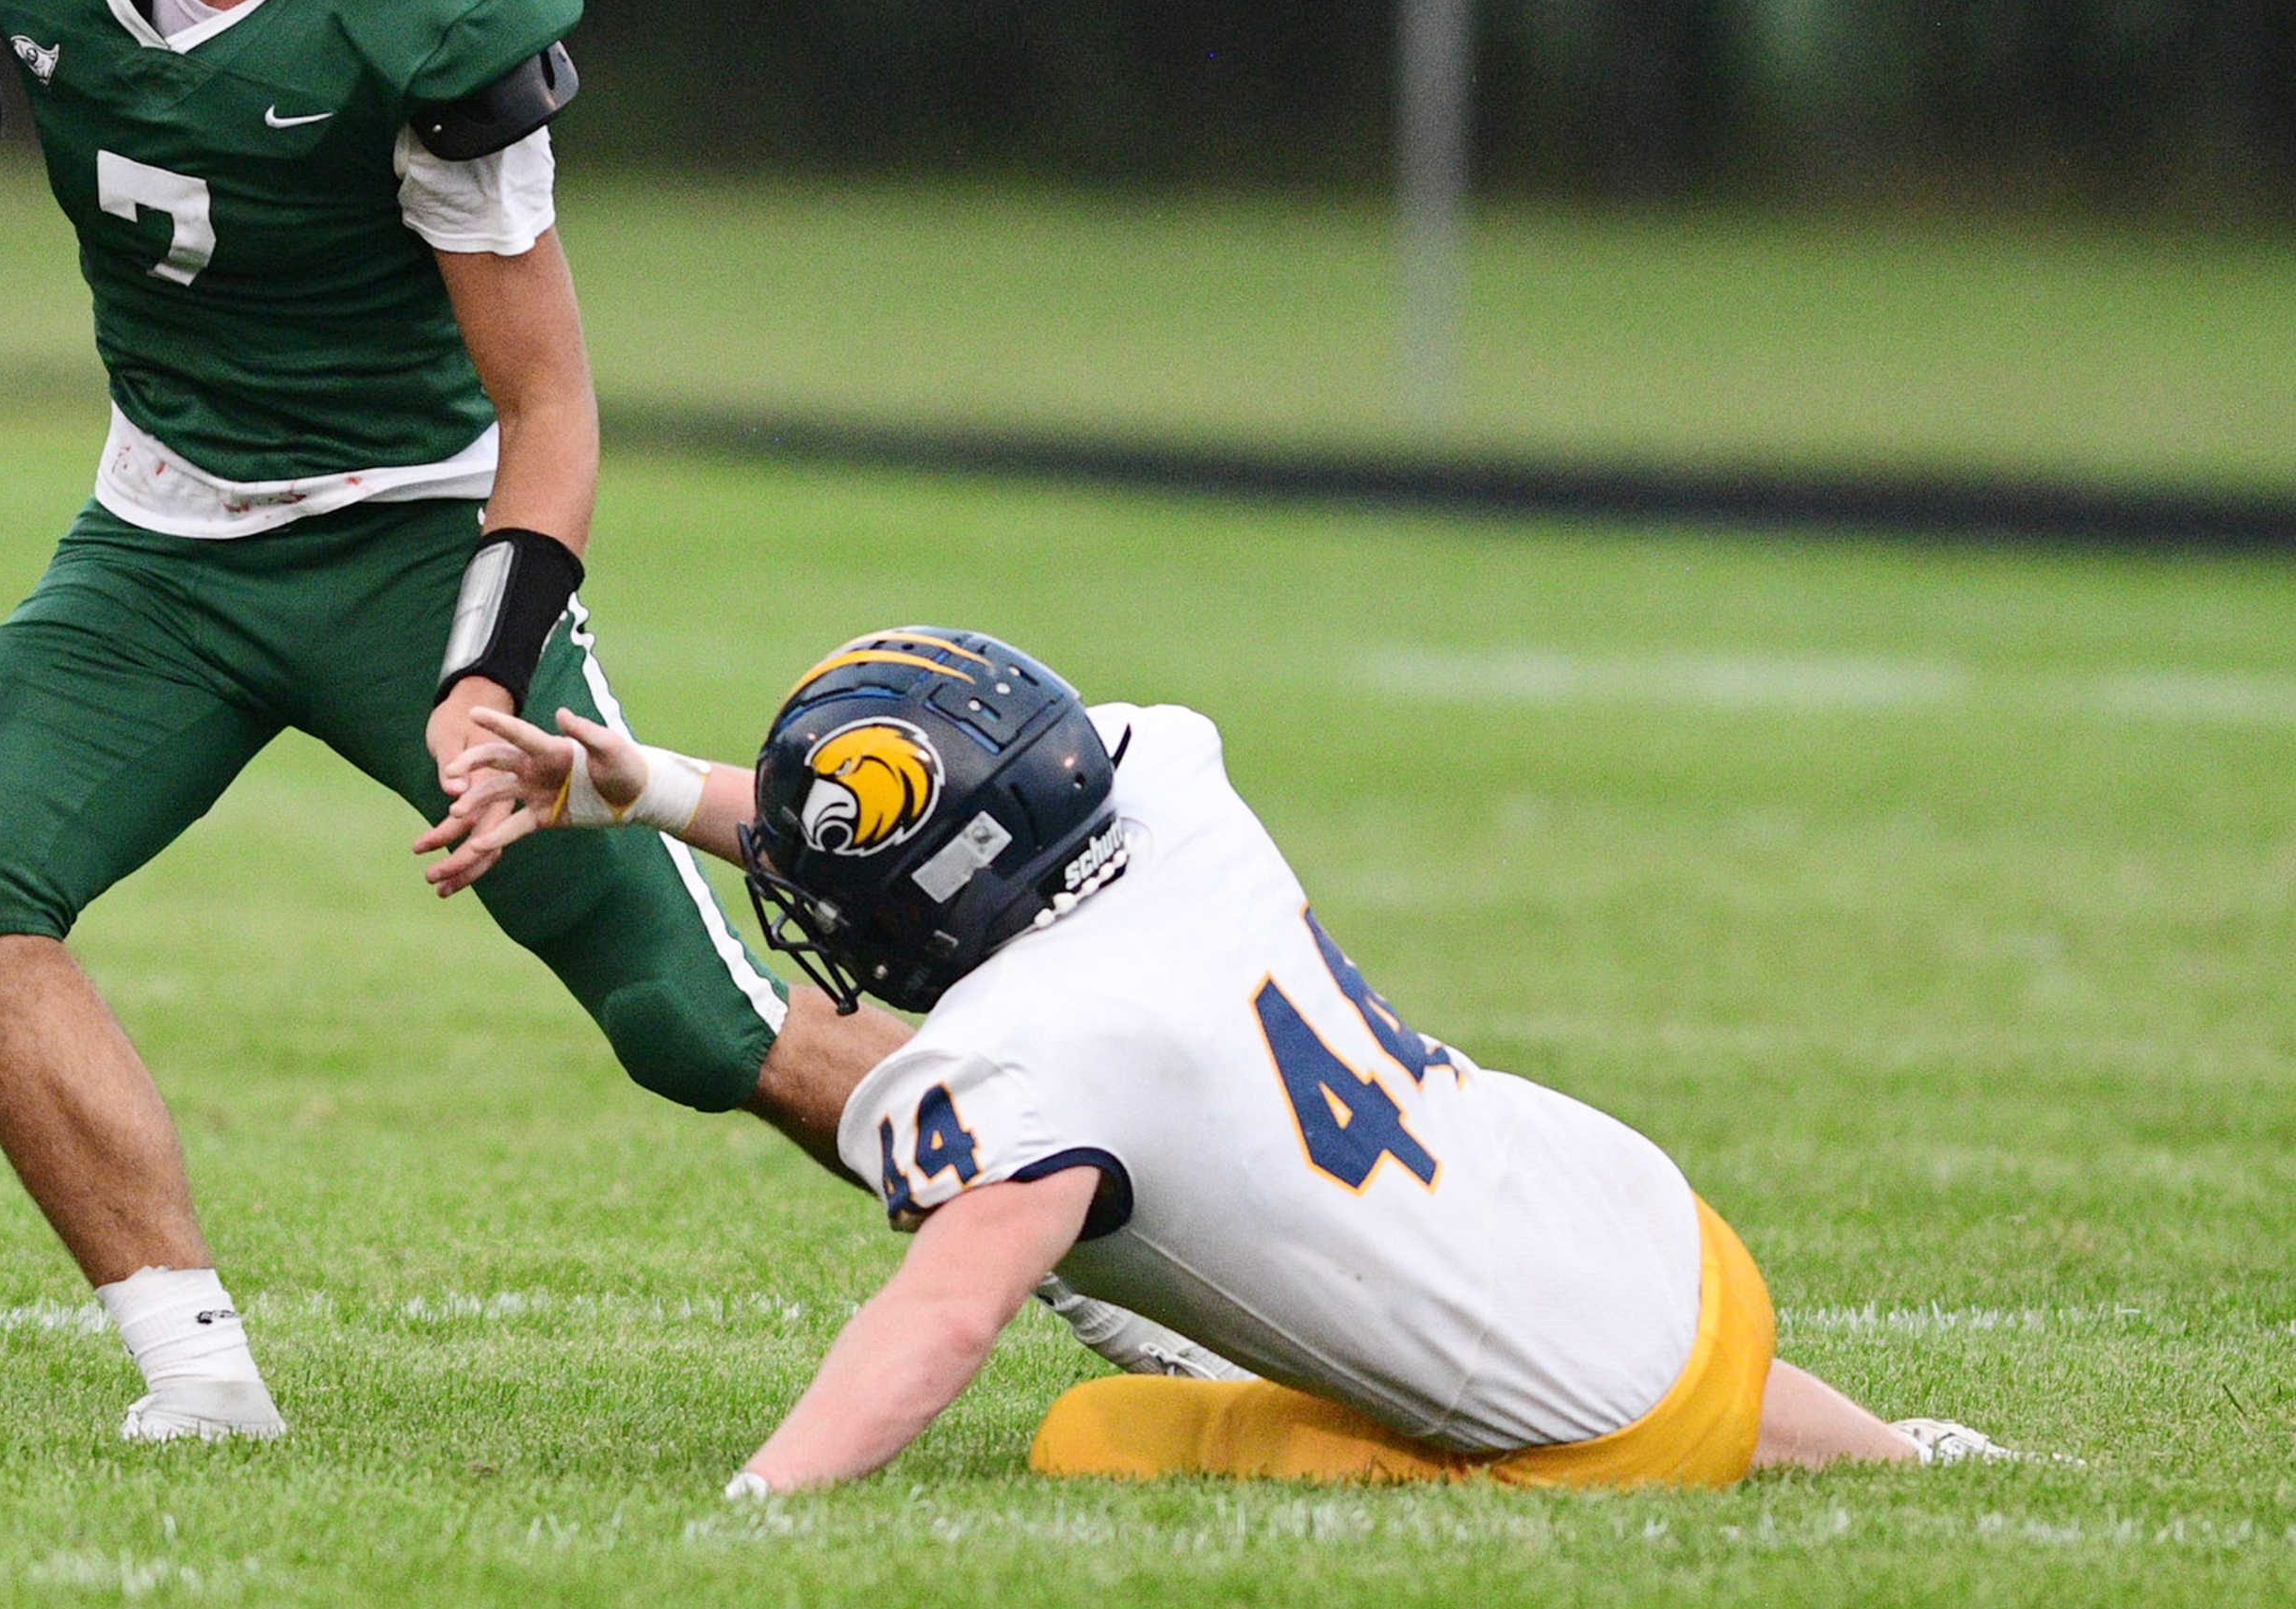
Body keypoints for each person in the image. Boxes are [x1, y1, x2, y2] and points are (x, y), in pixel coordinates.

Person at [0, 0, 1207, 1443]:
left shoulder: (444, 24)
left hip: (412, 539)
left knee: (696, 1019)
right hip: (160, 539)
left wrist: (485, 671)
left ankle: (1115, 1246)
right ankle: (197, 1375)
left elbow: (550, 406)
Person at [418, 626, 2018, 1491]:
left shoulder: (1040, 1046)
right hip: (1646, 1230)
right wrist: (645, 787)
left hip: (1595, 1430)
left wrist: (759, 1503)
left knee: (1084, 1433)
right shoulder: (1163, 787)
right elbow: (950, 826)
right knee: (1569, 1306)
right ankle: (1900, 1451)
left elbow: (948, 1312)